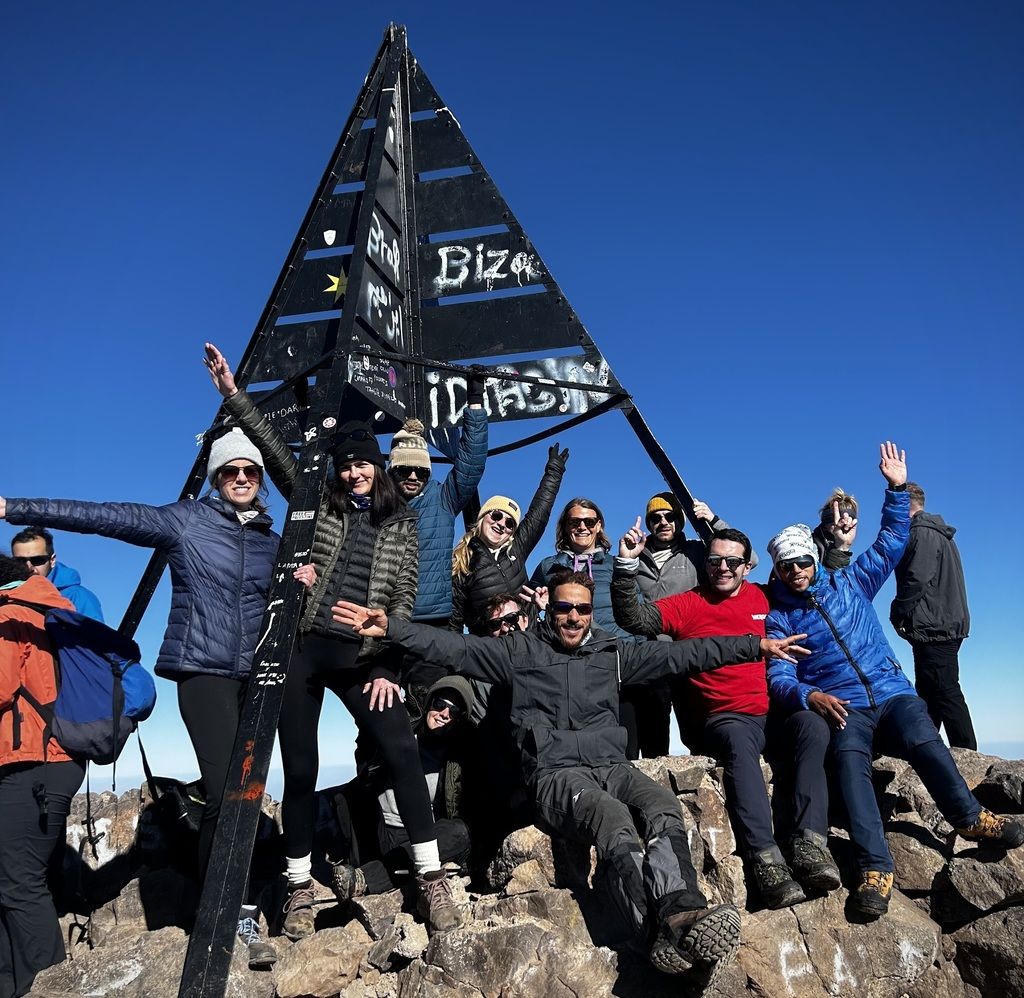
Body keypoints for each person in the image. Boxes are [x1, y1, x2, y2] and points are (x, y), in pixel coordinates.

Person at [333, 570, 810, 979]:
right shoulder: (517, 652)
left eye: (582, 610)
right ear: (550, 609)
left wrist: (756, 644)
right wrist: (392, 627)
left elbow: (680, 656)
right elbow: (451, 646)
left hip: (611, 765)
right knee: (612, 821)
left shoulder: (611, 652)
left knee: (663, 807)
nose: (574, 618)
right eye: (564, 608)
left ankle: (681, 908)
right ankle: (655, 929)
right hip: (556, 774)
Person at [203, 344, 457, 938]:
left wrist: (390, 666)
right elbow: (275, 449)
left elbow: (403, 601)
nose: (353, 471)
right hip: (307, 649)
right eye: (345, 463)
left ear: (379, 465)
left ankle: (430, 874)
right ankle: (296, 887)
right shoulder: (317, 501)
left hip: (366, 657)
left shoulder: (402, 524)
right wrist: (233, 397)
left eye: (362, 463)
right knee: (301, 767)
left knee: (400, 750)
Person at [765, 442, 1023, 918]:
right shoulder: (779, 620)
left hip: (890, 691)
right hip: (843, 705)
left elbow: (891, 539)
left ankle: (969, 818)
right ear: (777, 570)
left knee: (924, 734)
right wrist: (808, 693)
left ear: (814, 561)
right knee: (848, 764)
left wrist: (897, 488)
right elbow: (779, 677)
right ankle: (875, 868)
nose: (797, 571)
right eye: (787, 565)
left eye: (803, 561)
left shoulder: (852, 582)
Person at [612, 525, 838, 909]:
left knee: (813, 726)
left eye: (732, 561)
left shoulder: (765, 598)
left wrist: (837, 543)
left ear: (747, 566)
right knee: (739, 744)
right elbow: (635, 619)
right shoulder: (687, 603)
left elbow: (807, 580)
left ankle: (810, 844)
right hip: (721, 716)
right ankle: (765, 861)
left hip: (772, 711)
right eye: (714, 560)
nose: (722, 568)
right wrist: (625, 566)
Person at [0, 556, 87, 997]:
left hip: (35, 761)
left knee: (18, 880)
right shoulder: (41, 607)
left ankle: (48, 988)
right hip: (46, 760)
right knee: (10, 879)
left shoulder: (9, 613)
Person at [620, 493, 752, 756]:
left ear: (679, 520)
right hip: (652, 656)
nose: (663, 522)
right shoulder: (637, 555)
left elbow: (750, 558)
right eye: (655, 518)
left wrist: (714, 521)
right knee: (653, 736)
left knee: (695, 731)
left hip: (691, 653)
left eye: (670, 516)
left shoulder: (697, 550)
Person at [330, 677, 476, 901]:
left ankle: (363, 879)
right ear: (428, 705)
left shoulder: (456, 759)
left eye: (454, 711)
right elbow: (366, 743)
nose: (444, 714)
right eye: (440, 704)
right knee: (339, 798)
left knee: (459, 832)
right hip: (380, 830)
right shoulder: (398, 734)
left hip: (422, 838)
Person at [385, 395, 487, 705]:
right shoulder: (377, 506)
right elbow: (341, 473)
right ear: (392, 470)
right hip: (384, 623)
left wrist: (475, 408)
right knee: (379, 713)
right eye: (404, 470)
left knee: (432, 705)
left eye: (421, 471)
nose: (414, 476)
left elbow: (470, 464)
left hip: (433, 622)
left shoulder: (444, 500)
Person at [890, 482, 976, 750]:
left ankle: (967, 754)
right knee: (930, 690)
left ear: (906, 506)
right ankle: (924, 746)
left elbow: (917, 578)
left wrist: (898, 611)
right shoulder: (939, 533)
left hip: (935, 626)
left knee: (945, 690)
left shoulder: (923, 533)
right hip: (941, 622)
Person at [449, 444, 567, 633]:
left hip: (529, 638)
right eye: (496, 516)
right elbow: (454, 619)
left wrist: (554, 470)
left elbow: (539, 512)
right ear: (482, 518)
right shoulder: (461, 563)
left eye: (510, 523)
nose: (502, 524)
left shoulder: (516, 549)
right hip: (492, 650)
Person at [10, 526, 103, 621]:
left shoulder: (79, 597)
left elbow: (96, 635)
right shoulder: (8, 595)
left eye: (37, 560)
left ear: (52, 560)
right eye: (20, 561)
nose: (29, 567)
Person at [811, 489, 859, 571]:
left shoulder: (843, 547)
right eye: (836, 518)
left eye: (848, 519)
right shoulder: (808, 546)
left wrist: (842, 548)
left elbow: (838, 581)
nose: (842, 523)